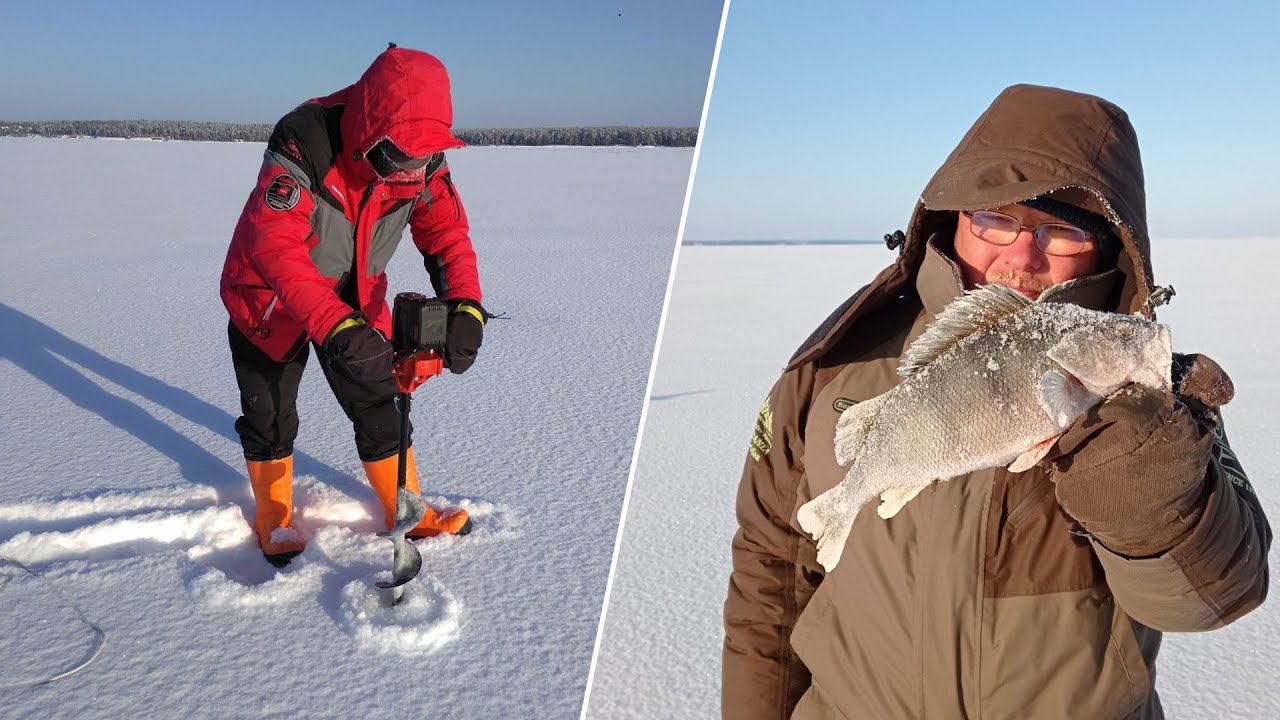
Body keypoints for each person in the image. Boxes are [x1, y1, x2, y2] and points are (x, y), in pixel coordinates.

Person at [722, 84, 1271, 719]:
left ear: (1110, 247)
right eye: (996, 217)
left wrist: (1149, 495)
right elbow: (771, 577)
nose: (1019, 255)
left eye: (1062, 231)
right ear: (952, 215)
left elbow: (1215, 597)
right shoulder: (831, 367)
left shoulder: (1148, 396)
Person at [220, 45, 488, 564]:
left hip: (354, 300)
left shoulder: (423, 156)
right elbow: (272, 244)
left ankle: (406, 511)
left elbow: (448, 235)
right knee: (271, 415)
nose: (406, 171)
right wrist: (334, 324)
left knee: (379, 400)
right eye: (395, 157)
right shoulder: (305, 139)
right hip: (269, 303)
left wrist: (467, 308)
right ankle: (274, 518)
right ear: (369, 127)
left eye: (418, 158)